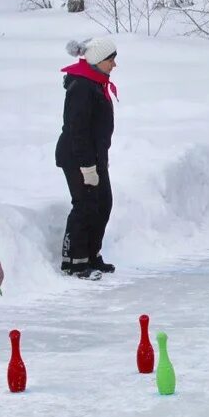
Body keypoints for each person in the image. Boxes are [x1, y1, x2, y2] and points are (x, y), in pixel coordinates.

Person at [57, 37, 119, 279]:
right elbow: (78, 131)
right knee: (85, 205)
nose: (114, 64)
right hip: (77, 156)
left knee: (103, 203)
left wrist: (100, 157)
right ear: (98, 60)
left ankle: (92, 255)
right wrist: (87, 167)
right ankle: (74, 262)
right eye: (111, 60)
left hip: (94, 155)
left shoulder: (96, 82)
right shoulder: (82, 87)